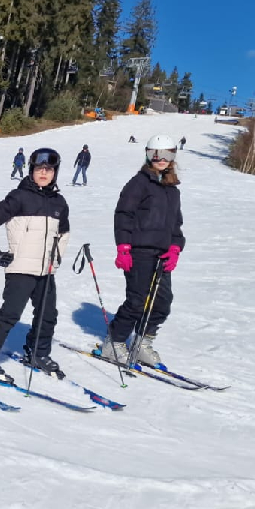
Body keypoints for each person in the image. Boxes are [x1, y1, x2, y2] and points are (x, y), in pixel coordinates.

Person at [0, 147, 70, 383]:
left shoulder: (59, 202)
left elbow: (64, 233)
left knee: (48, 314)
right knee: (10, 313)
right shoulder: (19, 197)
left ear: (55, 173)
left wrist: (55, 259)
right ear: (31, 170)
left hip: (46, 271)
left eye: (49, 169)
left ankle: (38, 353)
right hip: (20, 268)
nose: (44, 173)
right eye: (39, 168)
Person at [100, 134, 185, 367]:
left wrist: (175, 247)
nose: (161, 159)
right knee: (137, 301)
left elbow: (175, 225)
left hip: (162, 255)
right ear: (148, 156)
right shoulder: (138, 183)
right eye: (155, 154)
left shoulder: (172, 190)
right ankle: (114, 342)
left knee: (162, 303)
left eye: (166, 154)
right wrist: (123, 246)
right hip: (139, 252)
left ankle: (142, 342)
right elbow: (123, 214)